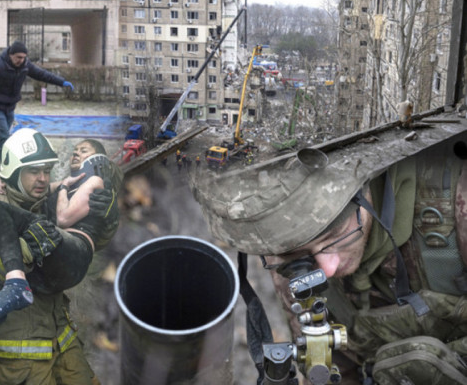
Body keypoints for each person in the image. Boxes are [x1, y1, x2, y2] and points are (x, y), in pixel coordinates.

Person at [191, 127, 467, 384]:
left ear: (366, 187)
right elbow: (330, 365)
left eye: (335, 236)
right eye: (298, 255)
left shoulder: (457, 201)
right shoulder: (289, 264)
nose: (328, 268)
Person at [0, 129, 119, 384]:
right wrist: (27, 253)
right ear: (13, 172)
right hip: (21, 347)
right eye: (34, 171)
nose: (43, 178)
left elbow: (82, 247)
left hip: (60, 333)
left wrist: (107, 218)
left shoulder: (50, 203)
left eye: (46, 170)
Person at [0, 41, 75, 174]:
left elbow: (42, 74)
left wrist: (61, 82)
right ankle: (7, 170)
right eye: (18, 57)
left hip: (10, 106)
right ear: (10, 55)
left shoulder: (25, 65)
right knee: (4, 136)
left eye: (23, 57)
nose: (21, 60)